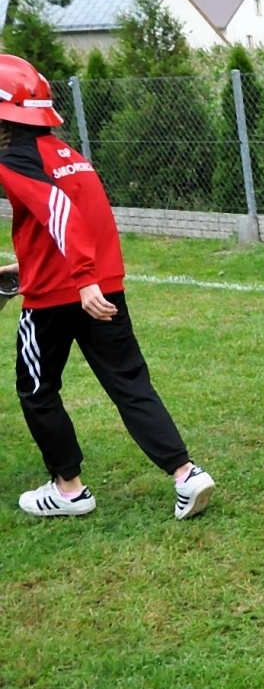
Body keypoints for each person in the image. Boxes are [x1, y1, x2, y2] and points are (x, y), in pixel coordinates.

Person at [0, 54, 214, 520]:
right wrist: (32, 267)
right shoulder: (68, 156)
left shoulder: (14, 160)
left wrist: (78, 279)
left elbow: (58, 211)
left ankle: (69, 491)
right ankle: (186, 474)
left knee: (36, 390)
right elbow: (82, 221)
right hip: (102, 290)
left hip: (61, 297)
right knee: (130, 384)